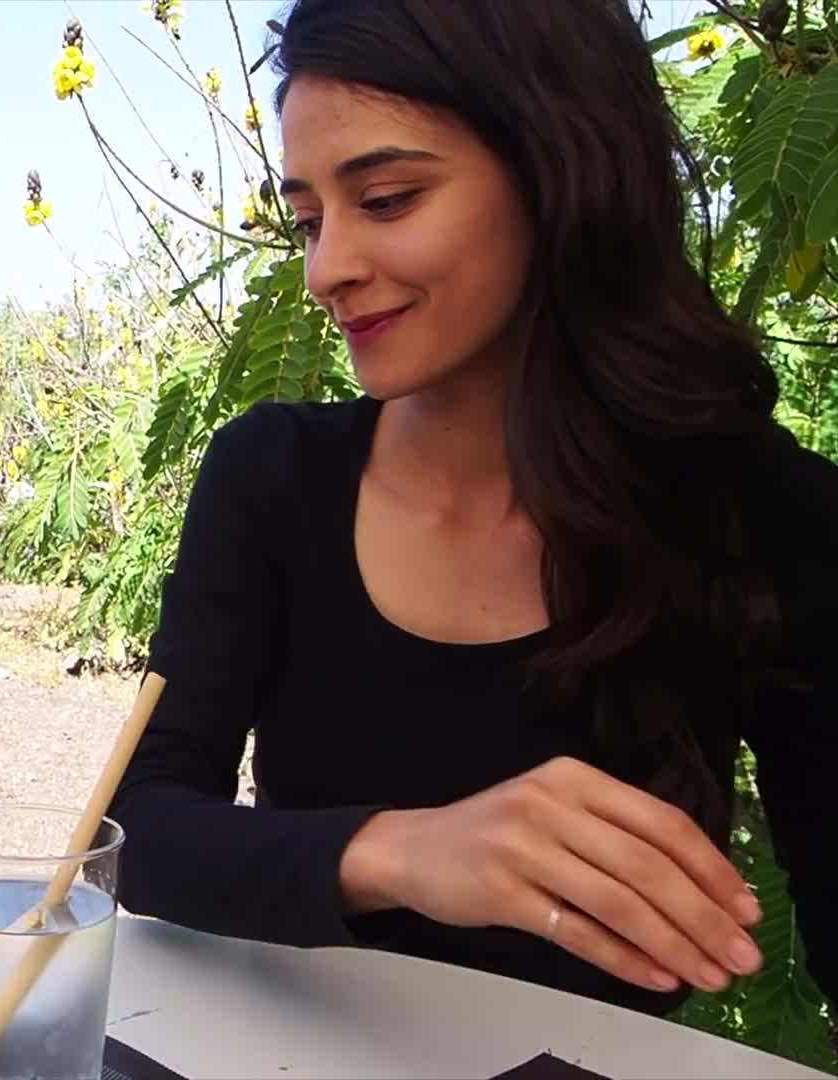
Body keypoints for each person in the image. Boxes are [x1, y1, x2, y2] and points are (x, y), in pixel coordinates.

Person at [111, 0, 837, 1017]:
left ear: (557, 171)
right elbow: (134, 838)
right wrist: (401, 850)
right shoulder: (271, 476)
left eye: (390, 198)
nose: (326, 270)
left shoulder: (757, 509)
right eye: (311, 220)